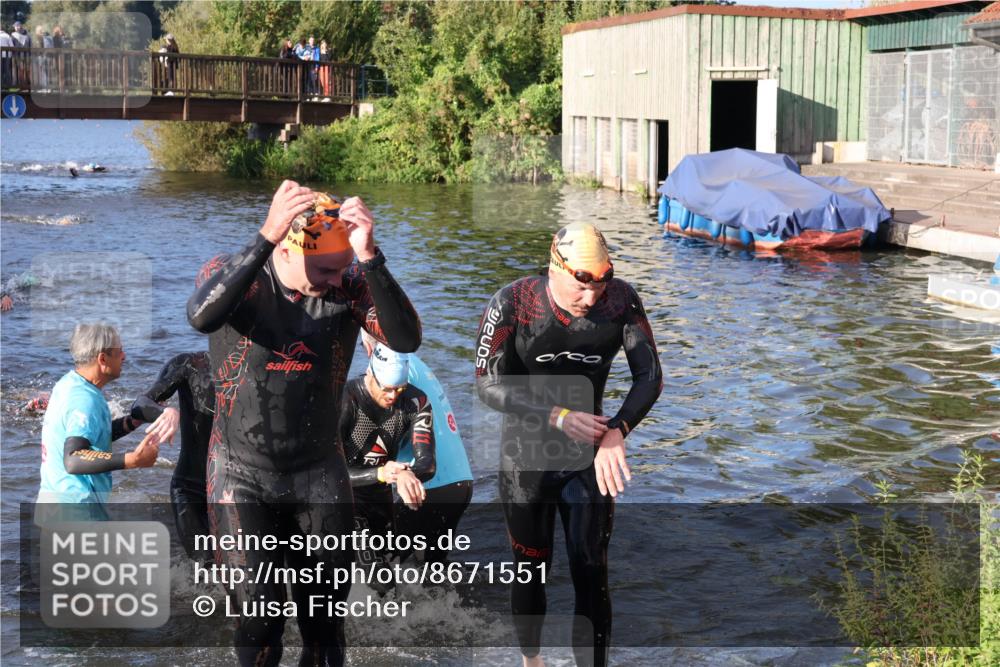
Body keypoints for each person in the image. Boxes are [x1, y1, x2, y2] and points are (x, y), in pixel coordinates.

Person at [186, 184, 421, 667]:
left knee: (326, 628)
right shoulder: (238, 275)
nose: (337, 281)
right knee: (260, 619)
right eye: (326, 271)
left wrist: (370, 257)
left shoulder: (351, 283)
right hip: (240, 475)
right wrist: (265, 235)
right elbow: (200, 317)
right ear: (288, 247)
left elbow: (406, 338)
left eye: (342, 270)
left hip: (318, 471)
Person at [474, 222, 662, 667]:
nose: (593, 295)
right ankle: (531, 660)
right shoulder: (514, 303)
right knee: (531, 571)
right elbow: (487, 384)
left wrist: (618, 430)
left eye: (603, 280)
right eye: (582, 282)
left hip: (588, 457)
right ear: (555, 267)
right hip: (526, 460)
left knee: (591, 570)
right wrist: (557, 416)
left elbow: (649, 377)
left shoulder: (621, 302)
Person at [35, 323, 176, 523]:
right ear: (102, 359)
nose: (124, 356)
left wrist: (132, 422)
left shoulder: (69, 384)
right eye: (119, 351)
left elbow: (91, 435)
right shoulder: (84, 399)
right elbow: (73, 458)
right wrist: (133, 460)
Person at [360, 331, 473, 565]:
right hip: (461, 482)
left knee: (380, 566)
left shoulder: (390, 377)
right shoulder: (413, 363)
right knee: (432, 572)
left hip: (428, 485)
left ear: (370, 348)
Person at [340, 343, 435, 581]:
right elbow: (325, 470)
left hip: (380, 499)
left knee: (391, 580)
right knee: (379, 582)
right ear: (370, 374)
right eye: (387, 389)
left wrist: (407, 474)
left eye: (400, 389)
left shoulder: (416, 402)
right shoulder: (346, 399)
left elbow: (428, 463)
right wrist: (381, 474)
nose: (393, 396)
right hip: (343, 499)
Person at [130, 352, 214, 564]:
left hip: (241, 490)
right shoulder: (191, 363)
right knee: (206, 568)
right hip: (191, 487)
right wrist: (165, 413)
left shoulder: (262, 368)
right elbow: (140, 403)